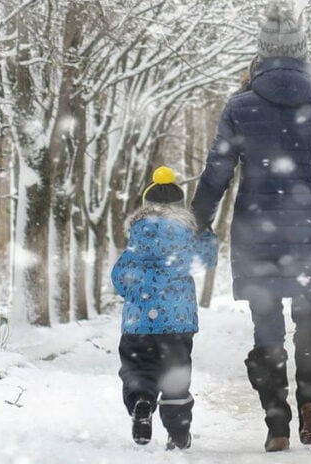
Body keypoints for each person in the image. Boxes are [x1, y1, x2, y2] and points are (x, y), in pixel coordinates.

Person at [192, 3, 311, 452]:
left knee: (266, 327)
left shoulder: (239, 107)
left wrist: (196, 222)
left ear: (261, 54)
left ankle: (277, 423)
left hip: (256, 234)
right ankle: (310, 398)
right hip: (310, 234)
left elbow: (217, 171)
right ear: (303, 54)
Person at [111, 166, 217, 450]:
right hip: (177, 322)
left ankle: (142, 402)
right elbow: (206, 260)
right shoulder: (189, 235)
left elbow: (119, 277)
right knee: (175, 377)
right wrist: (206, 232)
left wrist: (136, 294)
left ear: (147, 204)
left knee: (138, 369)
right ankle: (179, 432)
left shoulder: (136, 236)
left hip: (138, 322)